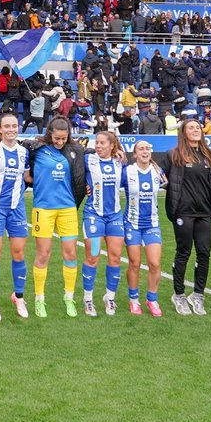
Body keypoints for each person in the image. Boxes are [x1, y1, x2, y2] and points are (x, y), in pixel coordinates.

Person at [22, 117, 86, 319]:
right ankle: (39, 299)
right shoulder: (36, 149)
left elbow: (90, 156)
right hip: (43, 209)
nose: (60, 142)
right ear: (50, 134)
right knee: (43, 254)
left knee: (70, 254)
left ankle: (69, 298)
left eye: (64, 139)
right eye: (57, 138)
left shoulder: (74, 151)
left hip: (67, 208)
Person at [163, 118, 211, 316]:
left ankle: (198, 295)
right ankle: (178, 295)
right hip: (184, 213)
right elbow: (156, 172)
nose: (196, 130)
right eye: (191, 128)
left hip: (205, 213)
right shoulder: (174, 154)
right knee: (183, 252)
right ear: (183, 133)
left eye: (198, 127)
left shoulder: (209, 156)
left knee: (204, 254)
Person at [0, 113, 29, 320]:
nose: (11, 129)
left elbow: (28, 176)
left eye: (14, 125)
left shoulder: (24, 152)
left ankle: (18, 296)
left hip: (17, 208)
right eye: (7, 126)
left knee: (19, 253)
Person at [82, 131, 128, 318]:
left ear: (112, 146)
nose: (99, 146)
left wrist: (124, 157)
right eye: (97, 143)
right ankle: (88, 299)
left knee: (115, 257)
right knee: (93, 256)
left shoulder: (119, 163)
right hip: (94, 215)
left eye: (102, 143)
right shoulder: (88, 160)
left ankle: (110, 297)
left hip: (114, 217)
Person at [121, 140, 165, 316]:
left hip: (152, 224)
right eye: (141, 149)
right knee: (135, 263)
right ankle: (134, 299)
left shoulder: (158, 171)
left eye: (147, 148)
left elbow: (171, 186)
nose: (145, 151)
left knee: (154, 263)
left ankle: (152, 299)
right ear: (135, 154)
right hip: (132, 223)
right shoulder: (127, 172)